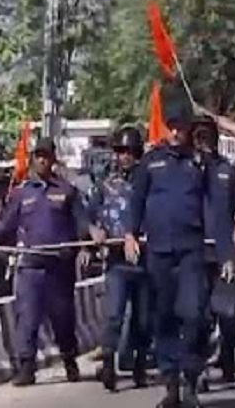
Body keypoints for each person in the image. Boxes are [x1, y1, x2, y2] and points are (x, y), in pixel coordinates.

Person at [125, 97, 227, 408]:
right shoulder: (150, 162)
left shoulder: (201, 164)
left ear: (188, 130)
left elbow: (217, 210)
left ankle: (191, 380)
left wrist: (227, 254)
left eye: (180, 128)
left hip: (191, 252)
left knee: (194, 314)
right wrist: (130, 234)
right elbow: (137, 200)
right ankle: (170, 385)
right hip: (158, 250)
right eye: (171, 127)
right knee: (164, 318)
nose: (175, 133)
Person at [0, 137, 88, 387]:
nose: (42, 160)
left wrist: (88, 239)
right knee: (27, 319)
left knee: (63, 319)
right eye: (38, 156)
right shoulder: (21, 193)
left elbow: (81, 223)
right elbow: (6, 224)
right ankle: (26, 367)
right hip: (30, 267)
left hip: (59, 268)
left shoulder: (67, 191)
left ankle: (69, 359)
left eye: (46, 156)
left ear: (53, 159)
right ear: (32, 160)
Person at [88, 126, 150, 392]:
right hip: (116, 261)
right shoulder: (106, 186)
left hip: (146, 260)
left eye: (129, 151)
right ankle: (109, 365)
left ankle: (139, 365)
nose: (124, 157)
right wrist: (94, 231)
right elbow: (88, 215)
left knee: (143, 319)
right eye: (120, 151)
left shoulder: (149, 182)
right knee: (113, 315)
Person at [192, 115, 235, 388]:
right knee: (197, 314)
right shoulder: (187, 169)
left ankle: (228, 359)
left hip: (224, 253)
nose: (203, 142)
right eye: (198, 137)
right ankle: (198, 370)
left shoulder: (229, 170)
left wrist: (233, 246)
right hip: (194, 253)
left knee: (229, 313)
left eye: (207, 136)